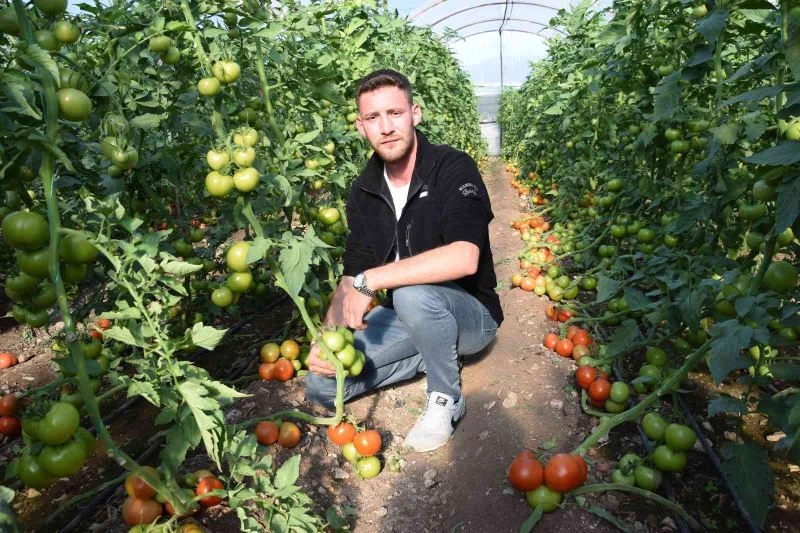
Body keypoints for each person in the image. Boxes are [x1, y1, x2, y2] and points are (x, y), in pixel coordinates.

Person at [304, 69, 503, 452]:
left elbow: (465, 257)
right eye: (373, 118)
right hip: (405, 317)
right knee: (323, 385)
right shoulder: (364, 191)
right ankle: (432, 353)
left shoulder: (452, 167)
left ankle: (445, 397)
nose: (386, 127)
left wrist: (373, 280)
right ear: (361, 127)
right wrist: (330, 338)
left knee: (411, 294)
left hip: (470, 315)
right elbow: (352, 275)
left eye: (394, 113)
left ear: (416, 113)